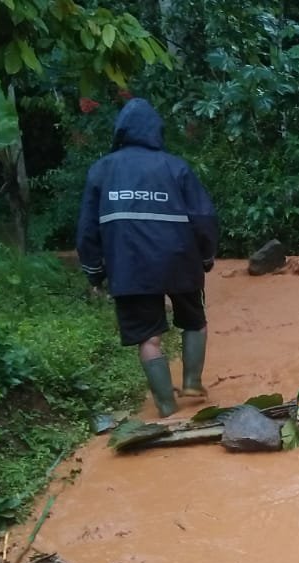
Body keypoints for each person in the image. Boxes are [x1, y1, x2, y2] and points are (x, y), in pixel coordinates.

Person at [76, 98, 219, 418]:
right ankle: (193, 383)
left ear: (121, 132)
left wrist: (94, 271)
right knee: (194, 320)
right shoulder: (176, 166)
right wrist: (206, 257)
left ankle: (167, 406)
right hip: (180, 260)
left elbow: (87, 227)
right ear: (156, 131)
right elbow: (204, 216)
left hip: (129, 267)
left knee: (149, 337)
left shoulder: (102, 170)